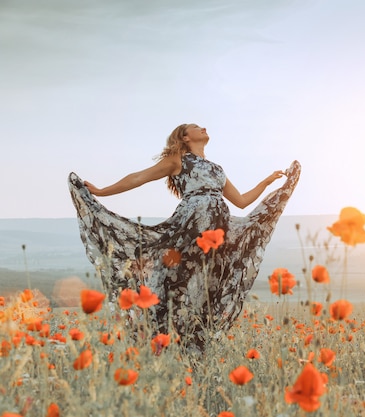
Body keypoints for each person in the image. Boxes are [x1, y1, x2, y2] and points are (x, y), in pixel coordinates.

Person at [68, 123, 300, 348]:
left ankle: (193, 347)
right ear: (185, 137)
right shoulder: (177, 160)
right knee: (179, 284)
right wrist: (101, 191)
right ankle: (163, 340)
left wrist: (268, 182)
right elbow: (138, 177)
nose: (203, 127)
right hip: (189, 228)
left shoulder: (217, 169)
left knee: (207, 290)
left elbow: (241, 202)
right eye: (195, 126)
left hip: (216, 235)